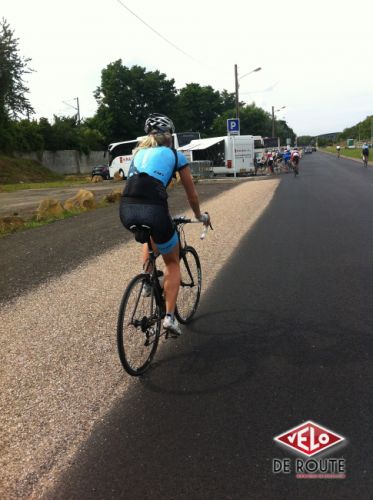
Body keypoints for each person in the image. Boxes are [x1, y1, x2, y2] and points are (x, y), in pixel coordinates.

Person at [119, 113, 211, 337]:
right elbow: (192, 195)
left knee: (149, 237)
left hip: (126, 210)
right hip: (154, 210)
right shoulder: (175, 155)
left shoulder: (138, 153)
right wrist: (199, 216)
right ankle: (170, 317)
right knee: (172, 263)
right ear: (170, 136)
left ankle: (149, 280)